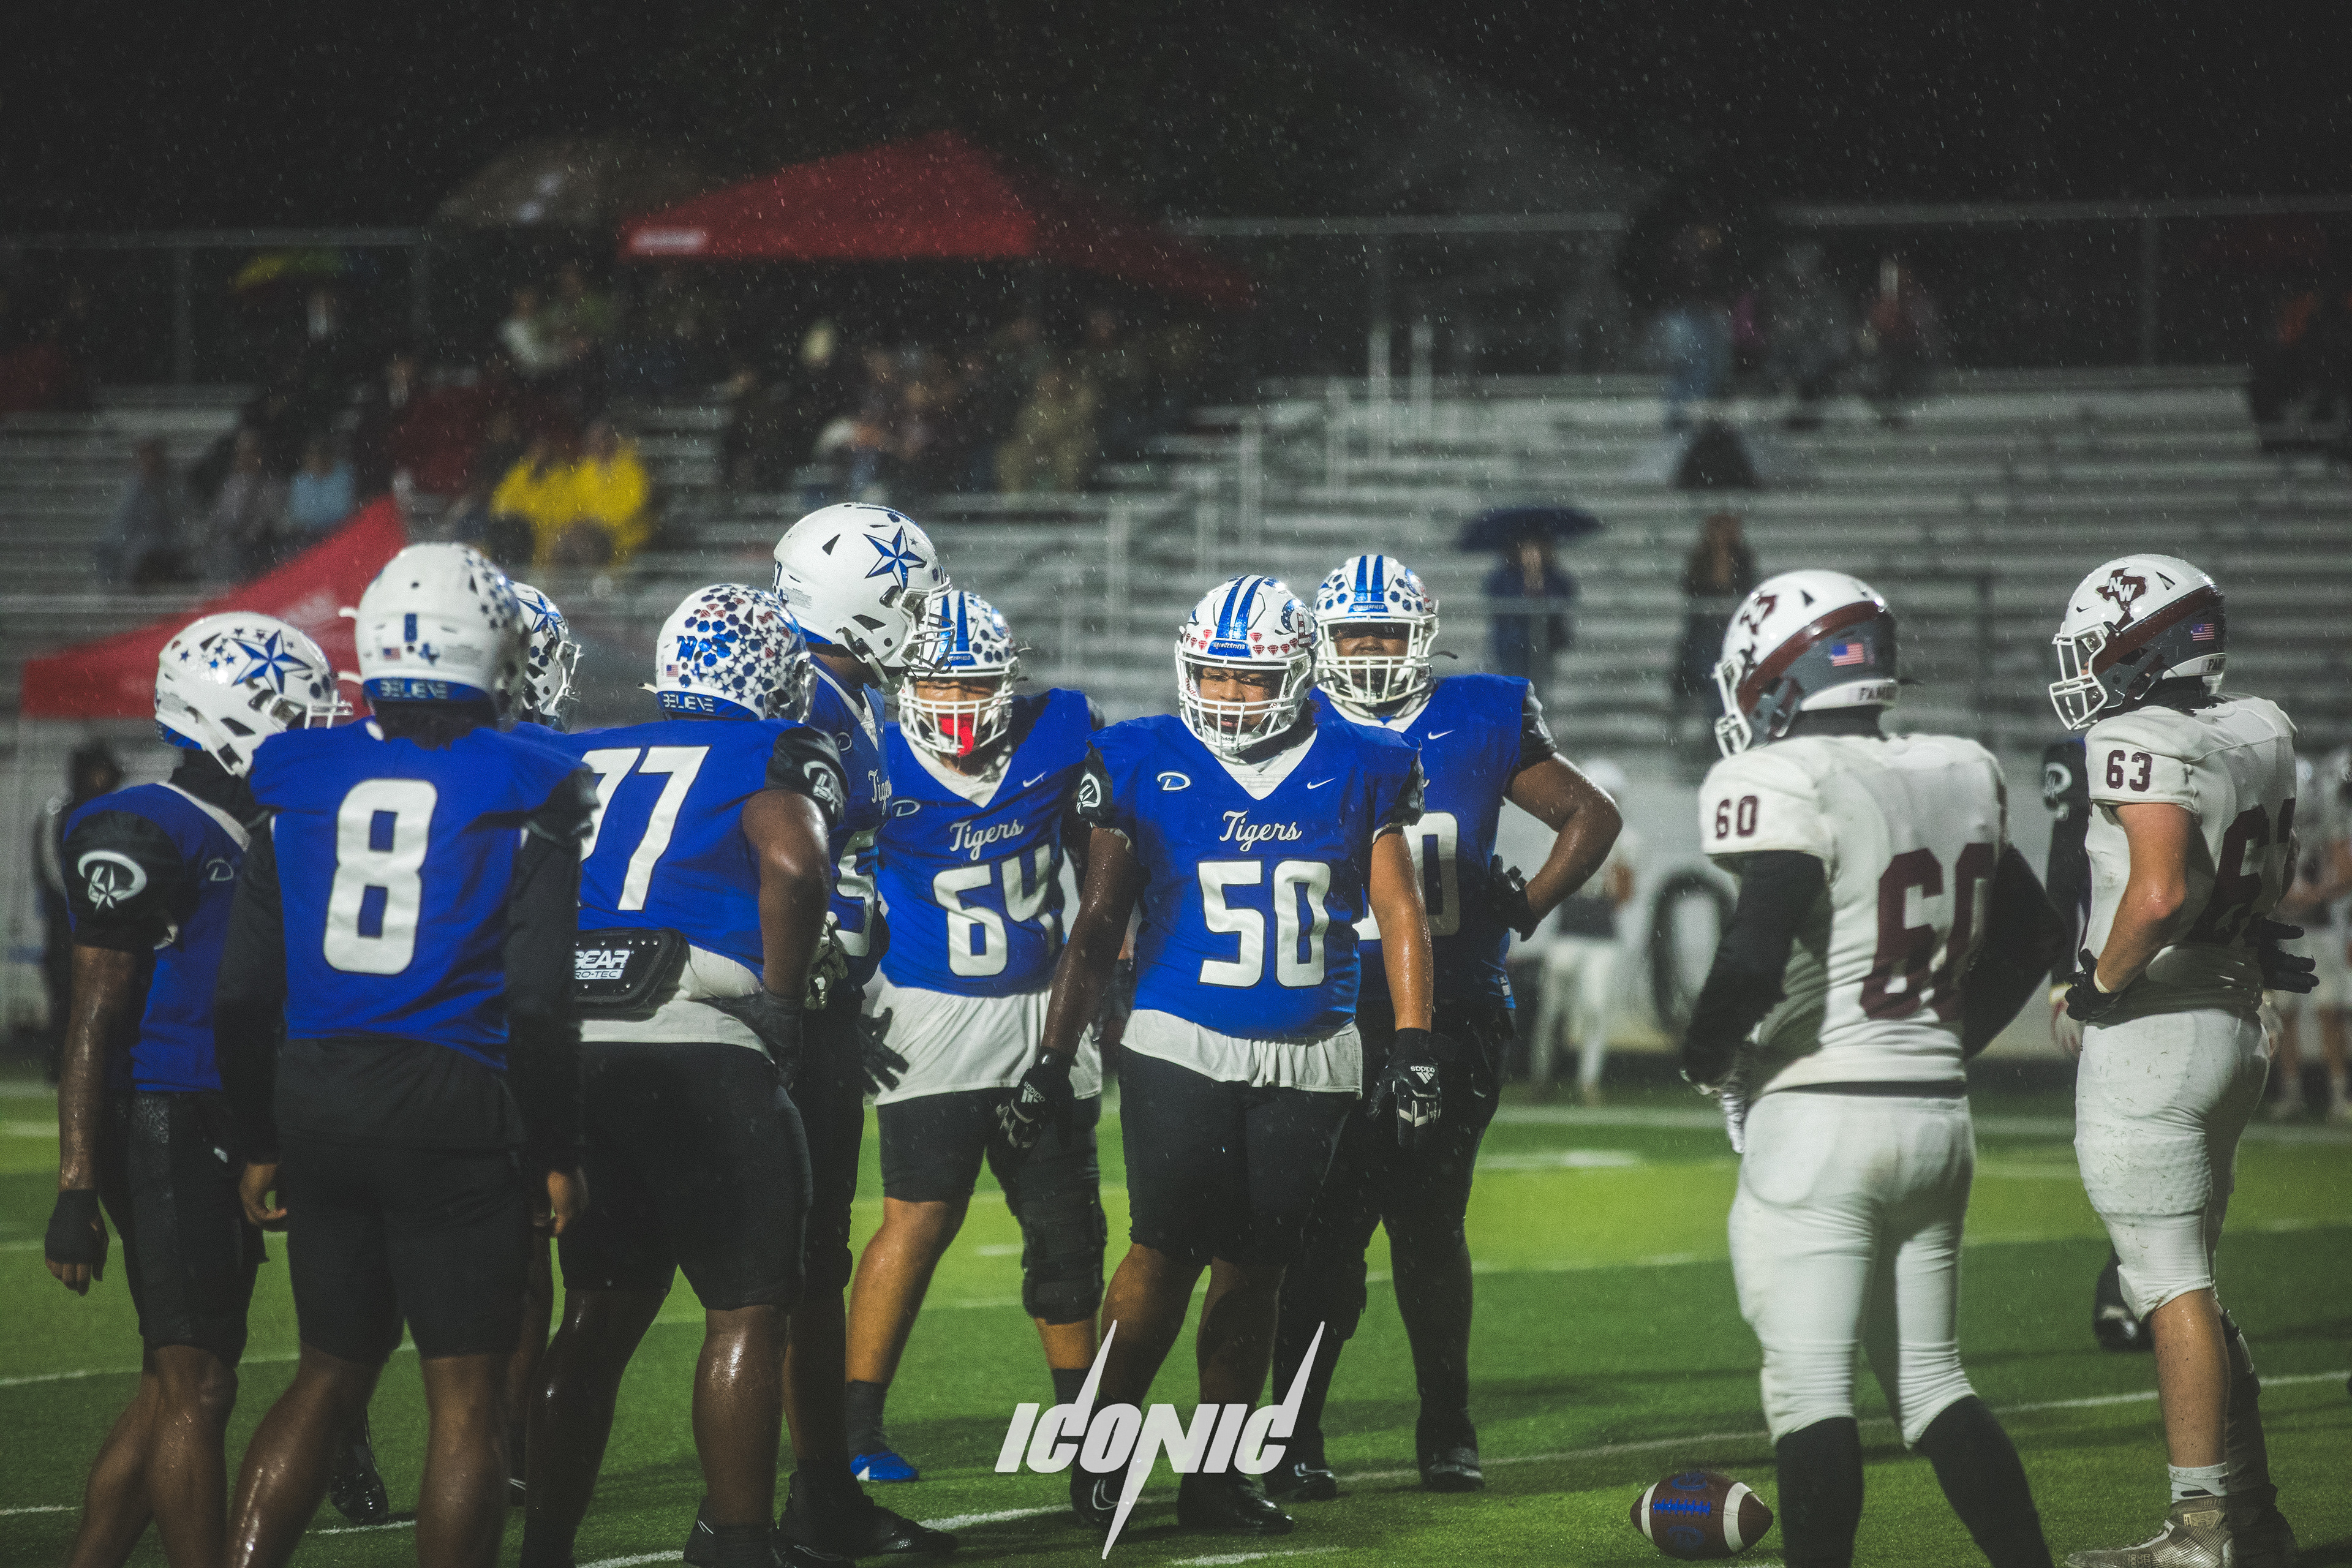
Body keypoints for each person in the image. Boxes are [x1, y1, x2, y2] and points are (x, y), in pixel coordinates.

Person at [213, 543, 595, 1568]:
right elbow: (539, 1001)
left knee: (326, 1374)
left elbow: (241, 992)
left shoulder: (297, 773)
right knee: (465, 1400)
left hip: (316, 1094)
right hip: (452, 1101)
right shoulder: (532, 781)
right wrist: (556, 1149)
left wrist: (258, 1136)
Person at [1033, 573, 1438, 1539]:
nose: (1229, 694)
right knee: (1164, 1250)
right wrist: (1055, 1049)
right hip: (1181, 1040)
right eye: (1214, 674)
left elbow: (1399, 908)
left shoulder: (1365, 759)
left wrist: (1416, 1042)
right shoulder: (1138, 756)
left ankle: (1216, 1473)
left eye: (1251, 679)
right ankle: (1102, 1445)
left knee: (1257, 1269)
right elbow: (1099, 921)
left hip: (1314, 1051)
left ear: (1297, 676)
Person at [1683, 569, 2063, 1568]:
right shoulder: (1959, 766)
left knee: (1810, 1392)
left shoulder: (1786, 775)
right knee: (1934, 1386)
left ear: (1780, 675)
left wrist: (1707, 1057)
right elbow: (2036, 933)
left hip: (1821, 1117)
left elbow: (1754, 954)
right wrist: (1940, 1040)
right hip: (1936, 1117)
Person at [1272, 556, 1624, 1499]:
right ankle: (1295, 1433)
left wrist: (1529, 904)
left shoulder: (1480, 711)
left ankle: (1445, 1426)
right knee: (1324, 1234)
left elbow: (1591, 815)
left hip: (1456, 1006)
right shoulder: (1291, 717)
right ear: (1322, 642)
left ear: (1422, 637)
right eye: (1354, 634)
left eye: (1387, 633)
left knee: (1428, 1226)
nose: (1370, 651)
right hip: (1329, 1011)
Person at [522, 584, 850, 1568]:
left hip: (578, 1048)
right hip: (698, 1038)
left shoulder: (588, 755)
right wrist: (782, 1006)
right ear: (774, 675)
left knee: (595, 1314)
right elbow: (794, 867)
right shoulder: (773, 750)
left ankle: (544, 1544)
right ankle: (737, 1544)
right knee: (748, 1309)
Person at [670, 503, 957, 1563]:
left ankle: (816, 1497)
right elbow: (788, 865)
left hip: (779, 1005)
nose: (925, 620)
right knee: (774, 1274)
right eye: (912, 599)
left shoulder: (838, 693)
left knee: (795, 1268)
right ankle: (761, 1519)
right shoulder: (803, 703)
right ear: (863, 604)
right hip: (769, 1008)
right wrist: (810, 987)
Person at [41, 616, 342, 1568]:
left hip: (230, 1117)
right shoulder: (143, 825)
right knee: (197, 1385)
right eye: (292, 705)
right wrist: (77, 1185)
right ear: (227, 711)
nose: (314, 722)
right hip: (164, 1117)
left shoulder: (276, 824)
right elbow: (92, 1017)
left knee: (174, 1382)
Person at [2048, 554, 2302, 1566]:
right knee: (2190, 1284)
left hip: (2157, 1031)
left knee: (2167, 1287)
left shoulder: (2138, 736)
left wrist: (2096, 986)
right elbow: (2256, 873)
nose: (2086, 671)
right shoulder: (2259, 725)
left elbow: (2160, 892)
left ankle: (2200, 1530)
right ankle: (2253, 1516)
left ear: (2146, 648)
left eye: (2099, 648)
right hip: (2236, 1021)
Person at [844, 591, 1107, 1483]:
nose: (957, 703)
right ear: (906, 685)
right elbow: (824, 877)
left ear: (1008, 682)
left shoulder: (1061, 729)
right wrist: (841, 998)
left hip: (1044, 1008)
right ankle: (856, 1429)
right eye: (939, 685)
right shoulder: (869, 752)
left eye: (975, 685)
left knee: (1066, 1231)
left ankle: (1084, 1434)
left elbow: (1103, 862)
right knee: (919, 1218)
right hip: (928, 1012)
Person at [1528, 757, 1643, 1103]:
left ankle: (1588, 1082)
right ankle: (1540, 1077)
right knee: (1551, 1011)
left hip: (1602, 937)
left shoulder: (1627, 840)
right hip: (1567, 932)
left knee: (1595, 1009)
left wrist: (1613, 861)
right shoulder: (1562, 832)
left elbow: (1623, 897)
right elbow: (1550, 884)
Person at [34, 740, 124, 1080]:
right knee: (65, 998)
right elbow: (50, 868)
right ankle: (58, 1069)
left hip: (98, 923)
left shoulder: (112, 812)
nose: (103, 778)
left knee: (98, 1000)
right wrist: (88, 903)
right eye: (97, 770)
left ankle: (94, 1070)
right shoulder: (58, 812)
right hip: (66, 927)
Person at [2270, 750, 2351, 1121]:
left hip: (2321, 925)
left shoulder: (2328, 817)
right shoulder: (2284, 821)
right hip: (2286, 927)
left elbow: (2345, 871)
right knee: (2285, 1013)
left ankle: (2337, 1095)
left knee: (2327, 1011)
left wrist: (2309, 897)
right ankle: (2293, 1094)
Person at [1670, 513, 1758, 756]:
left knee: (1723, 678)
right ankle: (1715, 735)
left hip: (1728, 633)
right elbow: (1694, 588)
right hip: (1703, 635)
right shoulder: (1701, 559)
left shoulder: (1742, 557)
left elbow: (1744, 588)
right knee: (1713, 677)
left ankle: (1721, 735)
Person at [1479, 534, 1575, 689]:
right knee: (1513, 681)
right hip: (1512, 641)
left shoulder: (1552, 575)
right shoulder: (1505, 575)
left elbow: (1564, 594)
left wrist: (1537, 579)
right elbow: (1498, 596)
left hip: (1544, 640)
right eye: (1526, 550)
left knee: (1539, 685)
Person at [99, 438, 190, 587]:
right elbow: (122, 522)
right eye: (144, 456)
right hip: (134, 546)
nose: (149, 461)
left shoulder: (172, 488)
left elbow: (179, 523)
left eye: (151, 456)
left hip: (160, 546)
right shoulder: (132, 488)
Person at [205, 429, 288, 581]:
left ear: (260, 455)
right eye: (241, 453)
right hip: (228, 549)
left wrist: (245, 537)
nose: (245, 458)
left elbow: (271, 523)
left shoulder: (273, 487)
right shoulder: (229, 485)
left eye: (251, 453)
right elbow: (218, 520)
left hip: (258, 550)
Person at [284, 433, 356, 540]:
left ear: (328, 455)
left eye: (319, 453)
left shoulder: (344, 474)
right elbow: (299, 517)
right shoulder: (300, 480)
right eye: (310, 454)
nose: (314, 458)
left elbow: (343, 513)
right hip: (309, 537)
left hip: (341, 534)